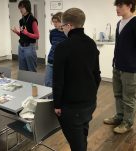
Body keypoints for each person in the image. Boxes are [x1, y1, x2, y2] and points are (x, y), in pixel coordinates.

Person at [53, 8, 101, 151]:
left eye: (62, 26)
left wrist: (57, 104)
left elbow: (58, 79)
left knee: (76, 143)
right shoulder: (91, 43)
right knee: (82, 134)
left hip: (71, 107)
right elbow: (96, 75)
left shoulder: (63, 47)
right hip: (90, 103)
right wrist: (91, 94)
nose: (62, 29)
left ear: (69, 26)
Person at [103, 0, 136, 134]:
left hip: (129, 68)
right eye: (116, 6)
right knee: (118, 94)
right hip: (117, 65)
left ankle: (127, 122)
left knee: (128, 97)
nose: (117, 8)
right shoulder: (119, 23)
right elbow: (120, 47)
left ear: (129, 6)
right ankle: (119, 116)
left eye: (120, 5)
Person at [11, 0, 39, 72]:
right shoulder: (21, 20)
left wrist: (27, 33)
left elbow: (37, 36)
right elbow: (23, 35)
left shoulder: (32, 20)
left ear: (27, 7)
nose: (20, 9)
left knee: (31, 70)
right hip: (21, 47)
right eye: (20, 8)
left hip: (29, 47)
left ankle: (33, 83)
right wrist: (17, 32)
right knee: (22, 70)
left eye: (22, 7)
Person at [44, 12, 67, 87]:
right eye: (53, 22)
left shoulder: (67, 34)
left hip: (61, 63)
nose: (54, 24)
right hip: (51, 61)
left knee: (59, 84)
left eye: (56, 22)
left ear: (62, 21)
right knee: (47, 83)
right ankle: (50, 99)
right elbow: (52, 43)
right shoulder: (53, 32)